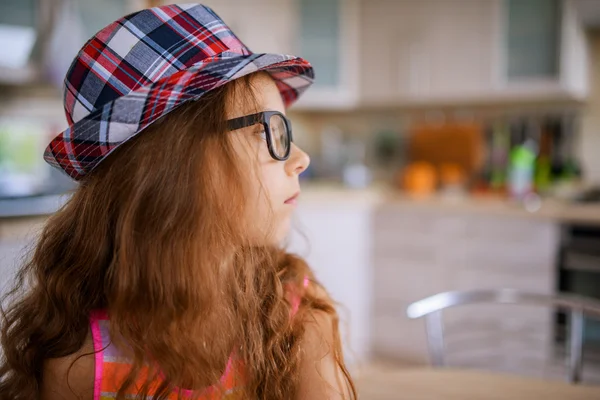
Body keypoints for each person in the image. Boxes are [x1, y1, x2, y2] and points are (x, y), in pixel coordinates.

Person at [0, 4, 356, 399]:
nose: (301, 158)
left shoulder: (298, 314)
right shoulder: (77, 362)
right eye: (265, 131)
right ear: (175, 166)